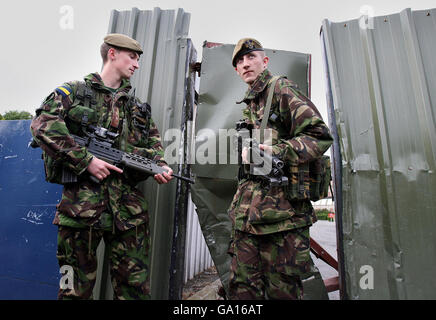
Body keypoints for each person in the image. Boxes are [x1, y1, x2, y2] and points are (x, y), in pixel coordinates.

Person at [30, 33, 173, 300]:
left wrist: (159, 166)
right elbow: (42, 124)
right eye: (132, 57)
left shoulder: (138, 109)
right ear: (112, 54)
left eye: (139, 59)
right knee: (73, 290)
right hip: (80, 210)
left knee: (135, 291)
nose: (137, 65)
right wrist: (86, 161)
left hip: (129, 215)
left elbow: (154, 148)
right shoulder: (74, 91)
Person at [227, 38, 333, 299]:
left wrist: (279, 150)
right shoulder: (251, 103)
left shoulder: (282, 89)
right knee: (242, 292)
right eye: (239, 61)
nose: (245, 64)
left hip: (283, 222)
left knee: (282, 293)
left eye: (250, 57)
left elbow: (320, 135)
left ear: (265, 61)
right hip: (248, 220)